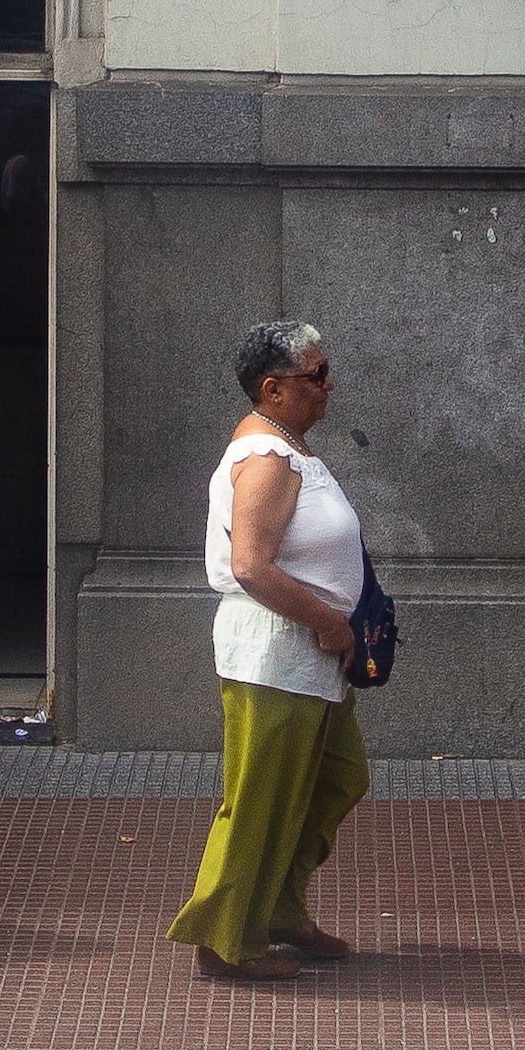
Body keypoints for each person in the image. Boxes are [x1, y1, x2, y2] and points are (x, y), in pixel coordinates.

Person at [172, 320, 371, 984]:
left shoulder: (286, 445)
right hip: (275, 656)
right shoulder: (266, 459)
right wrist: (331, 624)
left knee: (336, 777)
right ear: (273, 388)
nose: (329, 383)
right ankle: (226, 938)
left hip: (307, 657)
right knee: (259, 798)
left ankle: (279, 909)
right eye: (316, 374)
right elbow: (252, 565)